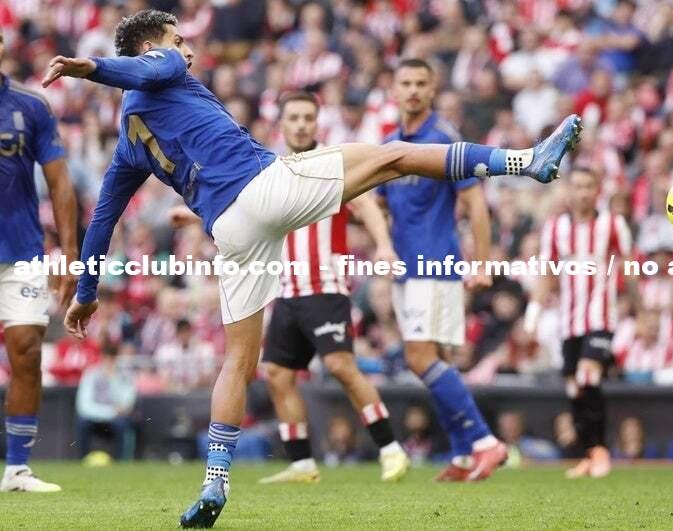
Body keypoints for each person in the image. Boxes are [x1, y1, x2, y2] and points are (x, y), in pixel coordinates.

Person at [42, 10, 582, 527]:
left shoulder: (128, 141)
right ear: (148, 48)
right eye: (177, 40)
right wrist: (89, 68)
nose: (187, 49)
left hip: (230, 231)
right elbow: (148, 68)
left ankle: (214, 482)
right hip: (264, 189)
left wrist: (86, 292)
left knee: (238, 361)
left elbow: (103, 220)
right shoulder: (161, 68)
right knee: (394, 155)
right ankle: (525, 161)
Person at [255, 91, 409, 484]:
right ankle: (302, 464)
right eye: (294, 117)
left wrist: (384, 245)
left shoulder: (332, 163)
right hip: (287, 290)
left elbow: (367, 205)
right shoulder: (269, 167)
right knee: (277, 374)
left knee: (341, 366)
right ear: (281, 123)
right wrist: (193, 218)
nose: (301, 125)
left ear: (317, 122)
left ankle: (391, 449)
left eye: (308, 117)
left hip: (325, 286)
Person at [376, 59, 507, 482]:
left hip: (434, 265)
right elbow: (379, 205)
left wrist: (482, 263)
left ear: (433, 90)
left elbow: (475, 203)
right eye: (406, 82)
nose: (413, 90)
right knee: (439, 362)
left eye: (421, 83)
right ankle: (464, 454)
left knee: (420, 358)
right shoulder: (389, 144)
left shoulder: (444, 140)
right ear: (394, 90)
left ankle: (485, 442)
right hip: (404, 269)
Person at [0, 31, 78, 492]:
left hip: (23, 251)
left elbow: (60, 182)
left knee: (27, 352)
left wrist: (69, 253)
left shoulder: (32, 107)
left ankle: (16, 469)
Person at [526, 167, 633, 479]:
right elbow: (547, 275)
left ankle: (600, 452)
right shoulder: (556, 228)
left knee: (588, 376)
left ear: (597, 191)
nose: (583, 193)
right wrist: (532, 315)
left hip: (601, 317)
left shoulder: (613, 225)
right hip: (569, 321)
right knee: (574, 388)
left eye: (589, 186)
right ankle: (589, 452)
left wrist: (638, 312)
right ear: (569, 191)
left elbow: (630, 269)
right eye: (578, 186)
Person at [74, 341, 137, 461]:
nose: (109, 361)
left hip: (116, 420)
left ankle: (121, 462)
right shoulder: (91, 374)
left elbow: (126, 404)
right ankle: (82, 460)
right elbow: (84, 406)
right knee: (82, 422)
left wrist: (113, 379)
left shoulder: (125, 375)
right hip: (96, 417)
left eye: (113, 356)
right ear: (102, 357)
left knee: (122, 423)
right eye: (107, 356)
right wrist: (111, 412)